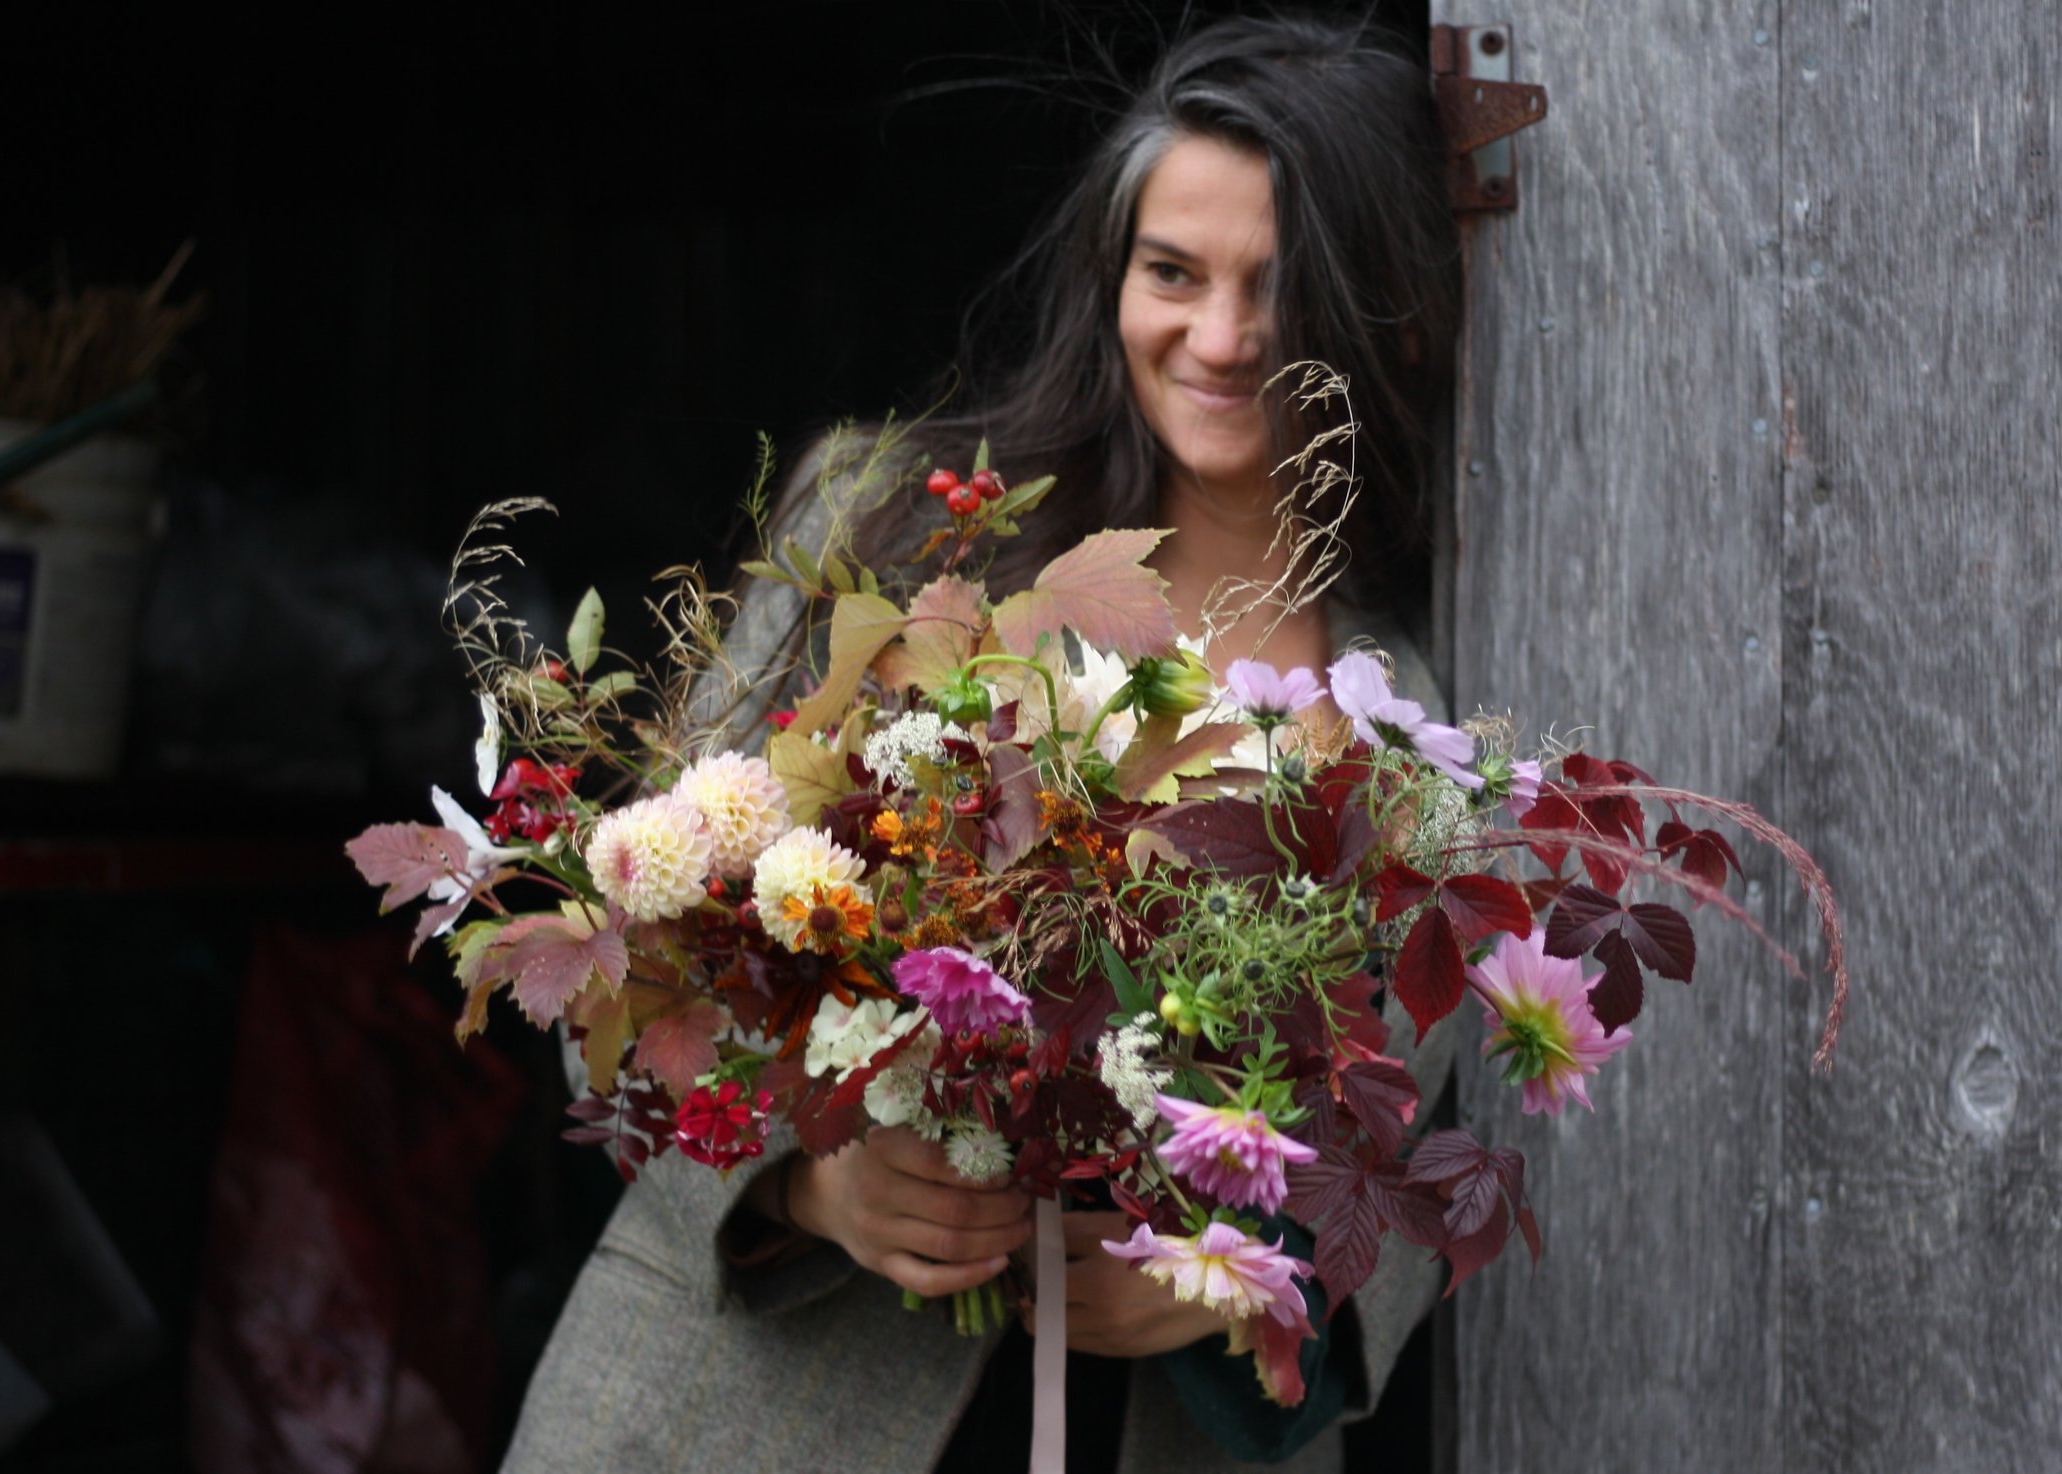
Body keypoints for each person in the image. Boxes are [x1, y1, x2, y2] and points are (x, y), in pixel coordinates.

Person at [502, 15, 1462, 1473]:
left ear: (1382, 309)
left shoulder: (1410, 712)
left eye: (1285, 289)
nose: (1220, 338)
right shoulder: (888, 530)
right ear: (1112, 279)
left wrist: (1249, 1275)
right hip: (743, 1411)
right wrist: (808, 1178)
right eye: (1173, 273)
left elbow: (1411, 1143)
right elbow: (626, 952)